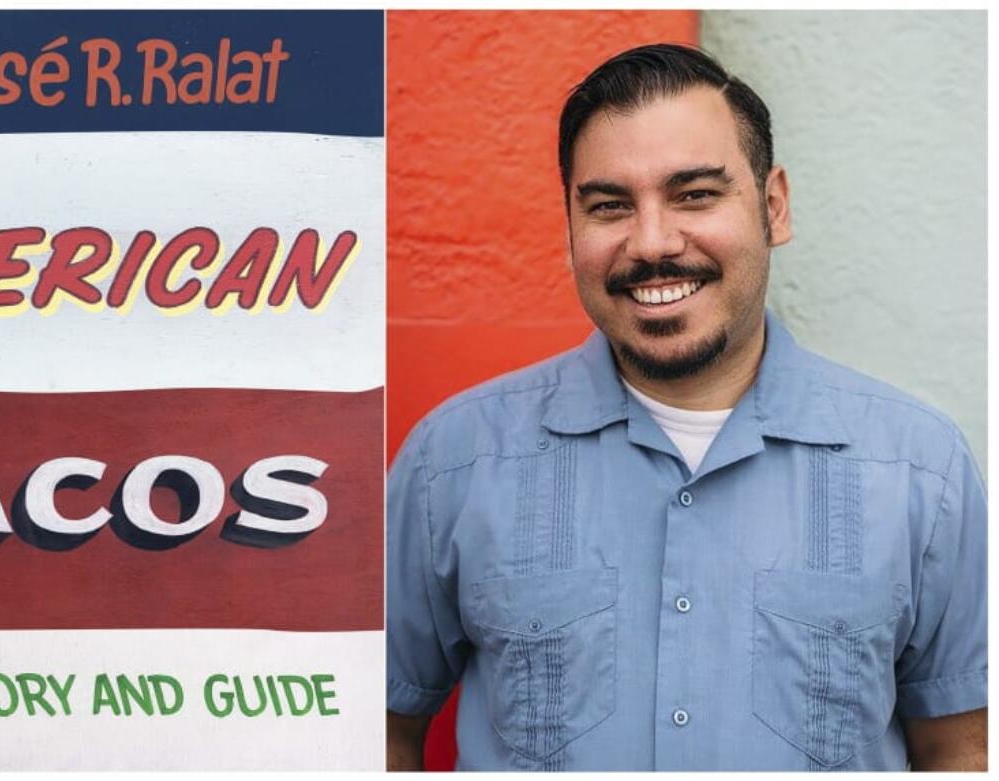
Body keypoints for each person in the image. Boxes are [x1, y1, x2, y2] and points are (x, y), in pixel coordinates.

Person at [385, 43, 986, 771]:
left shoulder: (922, 470)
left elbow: (960, 749)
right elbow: (383, 732)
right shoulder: (453, 464)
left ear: (774, 206)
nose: (652, 242)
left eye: (695, 194)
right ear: (571, 227)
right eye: (609, 206)